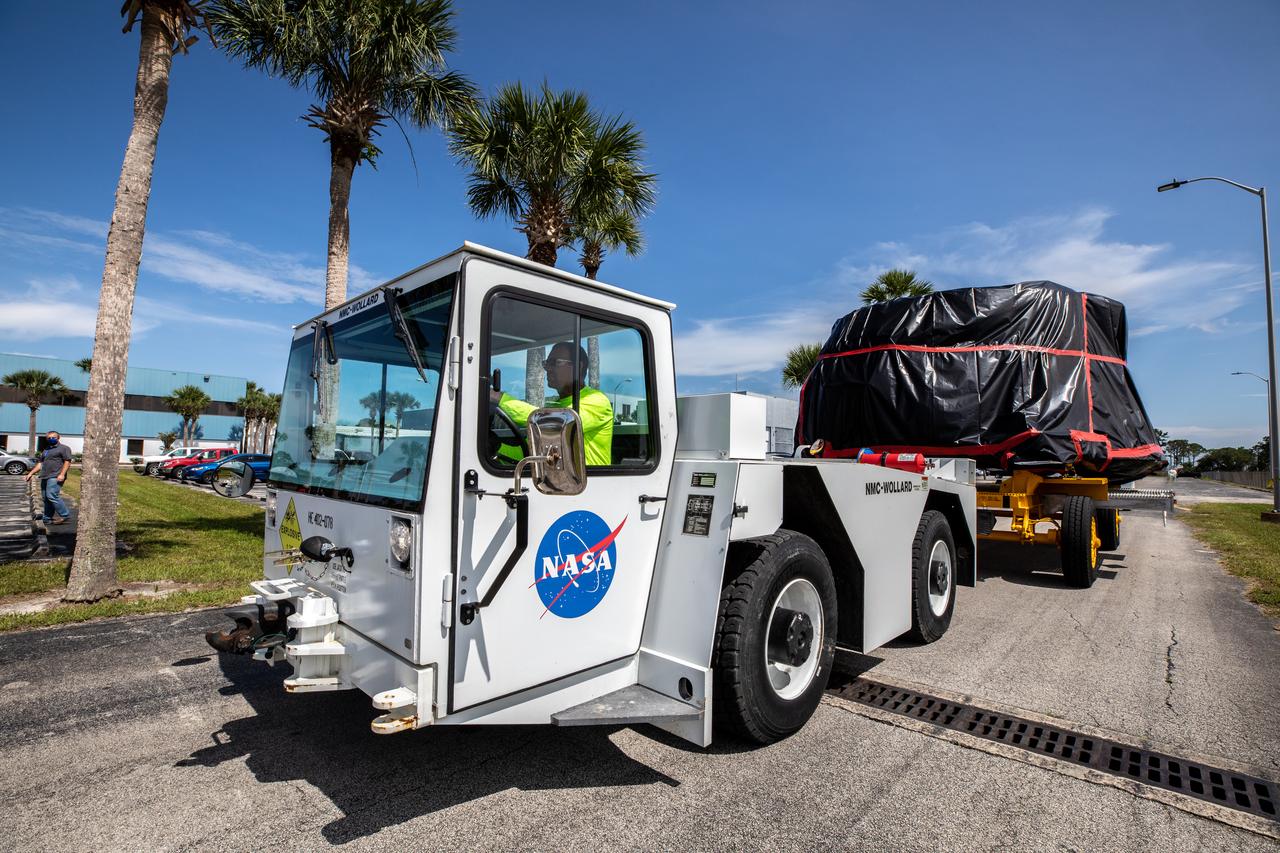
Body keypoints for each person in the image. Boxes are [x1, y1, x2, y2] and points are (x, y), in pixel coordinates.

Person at [491, 341, 614, 466]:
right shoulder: (555, 406)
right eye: (547, 363)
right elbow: (529, 453)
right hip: (556, 483)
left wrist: (498, 397)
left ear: (578, 367)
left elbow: (554, 422)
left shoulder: (597, 401)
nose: (548, 369)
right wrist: (494, 447)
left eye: (555, 363)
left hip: (593, 483)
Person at [25, 430, 72, 525]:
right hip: (45, 476)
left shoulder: (64, 448)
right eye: (49, 438)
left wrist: (62, 474)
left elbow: (67, 461)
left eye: (53, 437)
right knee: (46, 498)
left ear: (58, 438)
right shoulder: (46, 449)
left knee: (52, 495)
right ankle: (47, 518)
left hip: (56, 475)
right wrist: (31, 473)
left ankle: (65, 515)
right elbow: (40, 464)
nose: (51, 439)